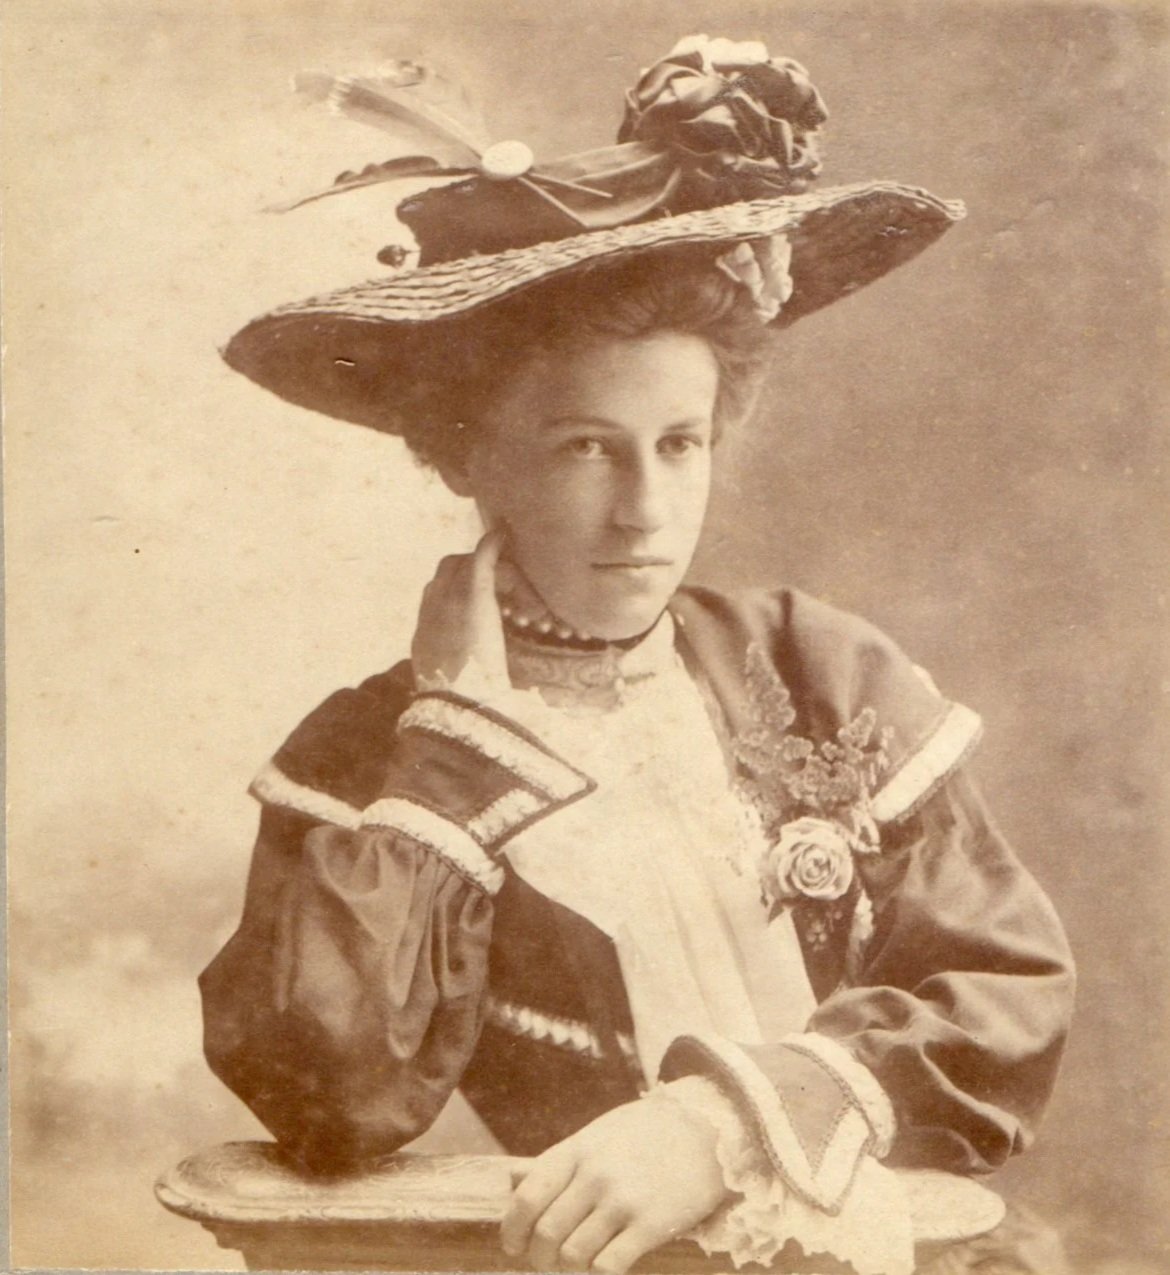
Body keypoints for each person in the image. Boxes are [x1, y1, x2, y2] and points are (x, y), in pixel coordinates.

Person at [200, 35, 1075, 1275]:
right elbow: (329, 1103)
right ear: (466, 456)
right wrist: (449, 751)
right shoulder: (365, 761)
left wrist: (719, 1125)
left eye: (680, 445)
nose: (646, 512)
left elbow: (1003, 993)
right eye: (584, 450)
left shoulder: (819, 677)